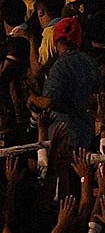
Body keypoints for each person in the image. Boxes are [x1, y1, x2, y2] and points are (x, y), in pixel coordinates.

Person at [25, 16, 98, 149]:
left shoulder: (60, 65)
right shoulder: (89, 62)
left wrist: (33, 98)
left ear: (56, 39)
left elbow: (49, 101)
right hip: (86, 132)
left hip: (64, 135)